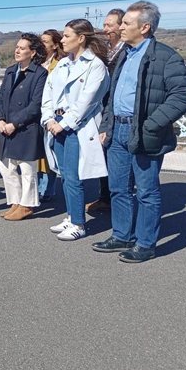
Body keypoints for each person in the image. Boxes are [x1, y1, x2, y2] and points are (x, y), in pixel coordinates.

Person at [94, 1, 186, 263]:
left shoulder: (165, 56)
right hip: (118, 131)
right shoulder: (124, 54)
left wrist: (151, 124)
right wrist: (106, 125)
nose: (120, 27)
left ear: (145, 27)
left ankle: (146, 243)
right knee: (118, 188)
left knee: (147, 192)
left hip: (145, 133)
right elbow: (113, 96)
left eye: (126, 23)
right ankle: (122, 235)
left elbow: (182, 95)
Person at [41, 19, 109, 240]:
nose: (62, 40)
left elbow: (86, 102)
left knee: (74, 175)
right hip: (57, 125)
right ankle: (71, 216)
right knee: (65, 174)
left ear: (81, 38)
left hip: (76, 127)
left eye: (67, 36)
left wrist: (63, 123)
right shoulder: (62, 64)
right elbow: (48, 93)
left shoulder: (95, 65)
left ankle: (79, 223)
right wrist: (49, 119)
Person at [0, 33, 48, 221]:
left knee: (27, 169)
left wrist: (14, 123)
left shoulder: (40, 73)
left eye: (22, 48)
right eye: (17, 47)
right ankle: (15, 202)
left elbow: (36, 104)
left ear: (32, 52)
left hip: (26, 128)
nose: (17, 50)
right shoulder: (10, 71)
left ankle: (27, 205)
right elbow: (0, 98)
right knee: (6, 167)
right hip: (5, 127)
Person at [86, 9, 126, 213]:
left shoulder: (126, 51)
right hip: (102, 108)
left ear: (122, 26)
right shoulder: (104, 50)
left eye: (110, 25)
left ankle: (117, 199)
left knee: (115, 157)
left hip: (117, 109)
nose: (105, 29)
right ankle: (105, 196)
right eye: (105, 25)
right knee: (102, 153)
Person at [37, 29, 64, 202]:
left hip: (51, 112)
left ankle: (47, 188)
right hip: (35, 110)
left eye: (45, 42)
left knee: (48, 151)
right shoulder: (36, 62)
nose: (41, 44)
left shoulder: (60, 64)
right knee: (37, 151)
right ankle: (37, 186)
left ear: (55, 45)